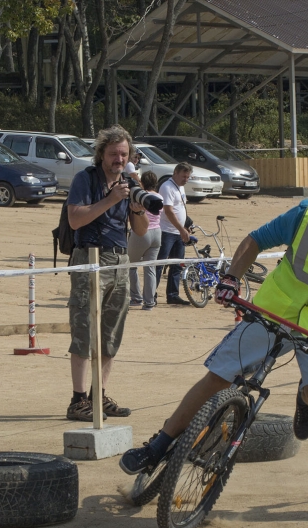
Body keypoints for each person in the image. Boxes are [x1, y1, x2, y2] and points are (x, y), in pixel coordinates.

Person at [120, 158, 308, 475]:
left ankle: (305, 395)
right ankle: (157, 446)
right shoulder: (307, 213)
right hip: (275, 309)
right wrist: (231, 278)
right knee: (217, 377)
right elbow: (255, 240)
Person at [65, 124, 150, 421]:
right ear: (101, 154)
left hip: (119, 261)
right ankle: (78, 401)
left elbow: (140, 231)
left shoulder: (127, 183)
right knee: (84, 332)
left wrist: (137, 205)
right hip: (90, 258)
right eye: (113, 153)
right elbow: (75, 220)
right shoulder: (85, 180)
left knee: (111, 334)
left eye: (124, 154)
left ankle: (97, 395)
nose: (118, 159)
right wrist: (110, 200)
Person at [157, 162, 195, 305]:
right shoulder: (167, 187)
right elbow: (168, 210)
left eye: (188, 177)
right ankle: (151, 295)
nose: (186, 179)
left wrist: (186, 225)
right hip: (166, 231)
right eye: (184, 176)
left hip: (179, 232)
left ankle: (173, 295)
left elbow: (181, 208)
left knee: (177, 265)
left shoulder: (180, 187)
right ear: (175, 173)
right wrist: (181, 229)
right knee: (160, 264)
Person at [128, 170, 163, 310]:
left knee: (131, 266)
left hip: (142, 232)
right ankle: (149, 302)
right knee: (150, 269)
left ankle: (136, 298)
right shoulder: (159, 196)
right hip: (157, 233)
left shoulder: (140, 197)